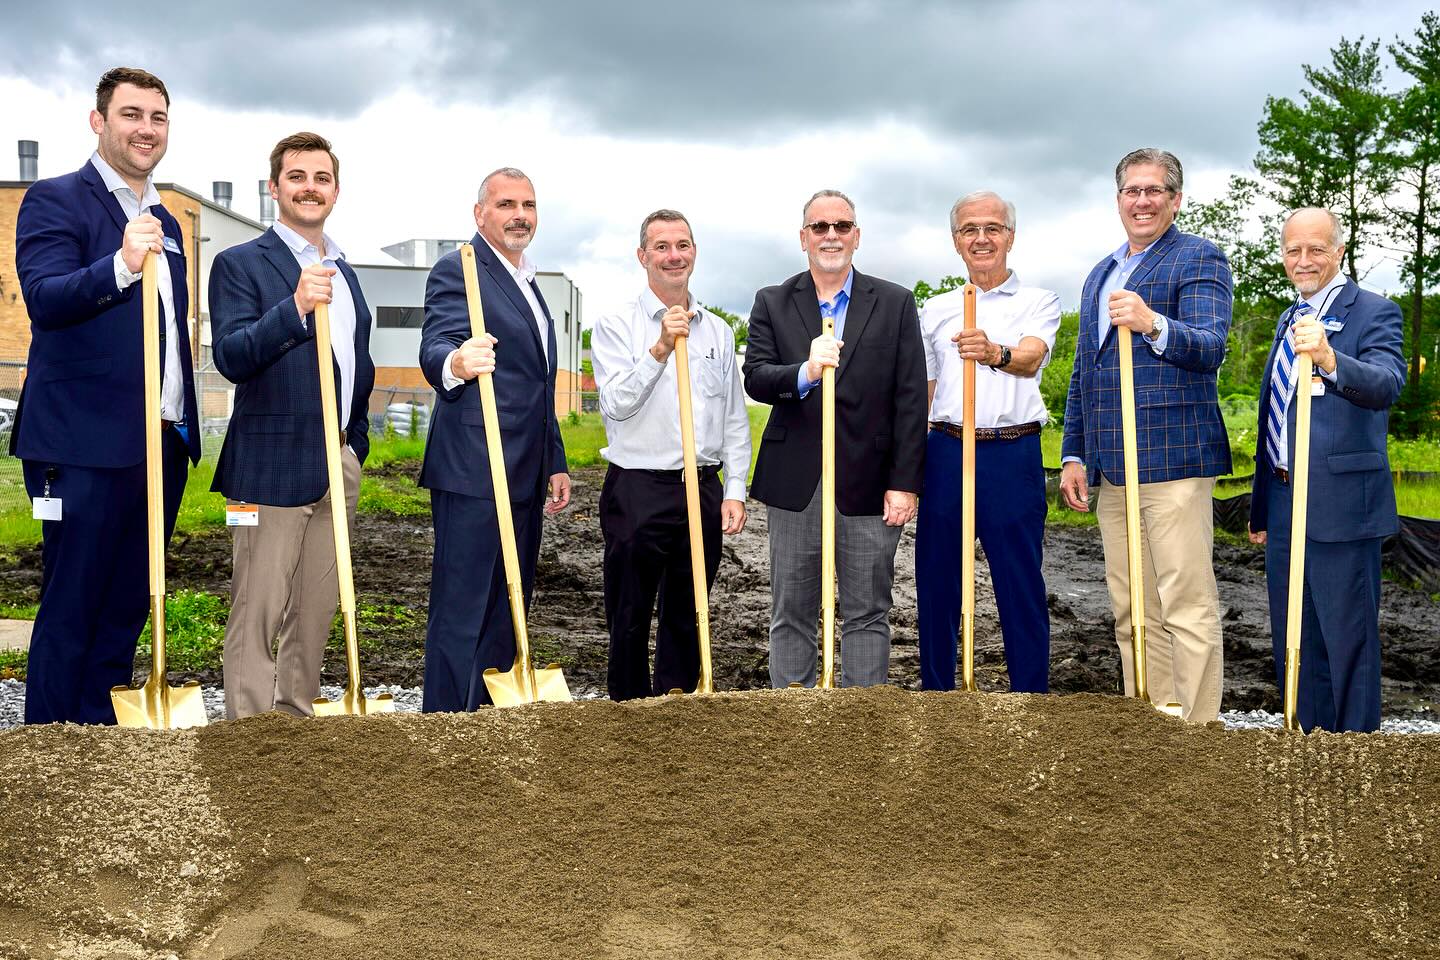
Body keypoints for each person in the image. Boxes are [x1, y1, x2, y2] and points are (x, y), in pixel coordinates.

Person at [11, 67, 201, 725]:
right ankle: (51, 750)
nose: (146, 129)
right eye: (131, 114)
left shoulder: (167, 221)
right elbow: (45, 299)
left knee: (125, 606)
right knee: (73, 601)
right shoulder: (57, 200)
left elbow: (169, 331)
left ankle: (100, 744)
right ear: (99, 121)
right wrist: (121, 264)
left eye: (158, 117)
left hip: (160, 443)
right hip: (82, 443)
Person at [1058, 147, 1232, 723]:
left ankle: (1197, 730)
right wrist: (1075, 452)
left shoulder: (1198, 257)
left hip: (1173, 462)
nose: (1142, 201)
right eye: (1132, 190)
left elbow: (1210, 346)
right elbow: (1085, 371)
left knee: (1185, 603)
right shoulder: (1099, 274)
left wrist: (1152, 323)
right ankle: (1153, 723)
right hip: (1113, 467)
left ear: (1175, 200)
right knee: (1132, 605)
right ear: (1118, 200)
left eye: (1154, 190)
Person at [209, 132, 375, 719]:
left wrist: (354, 443)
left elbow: (356, 363)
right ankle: (248, 732)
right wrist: (296, 308)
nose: (310, 188)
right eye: (297, 177)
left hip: (337, 463)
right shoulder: (240, 264)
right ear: (274, 188)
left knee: (315, 608)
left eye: (321, 178)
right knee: (258, 607)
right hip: (268, 468)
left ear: (336, 190)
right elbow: (231, 356)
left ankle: (293, 722)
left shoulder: (345, 272)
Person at [742, 189, 927, 688]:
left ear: (856, 236)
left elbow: (911, 399)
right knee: (792, 608)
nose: (831, 235)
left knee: (868, 609)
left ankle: (861, 719)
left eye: (841, 226)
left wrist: (904, 483)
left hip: (870, 481)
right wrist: (805, 371)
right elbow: (756, 378)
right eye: (820, 227)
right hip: (796, 482)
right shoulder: (772, 301)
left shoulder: (894, 302)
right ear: (803, 237)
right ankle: (794, 717)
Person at [1247, 208, 1406, 733]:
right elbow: (1275, 411)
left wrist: (1331, 360)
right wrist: (1263, 506)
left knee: (1348, 639)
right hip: (1285, 502)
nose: (1304, 260)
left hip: (1342, 505)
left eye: (1316, 249)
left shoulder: (1374, 311)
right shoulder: (1287, 318)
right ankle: (1306, 741)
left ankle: (1355, 753)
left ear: (1339, 251)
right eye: (1293, 250)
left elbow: (1386, 384)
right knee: (1295, 636)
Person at [418, 167, 571, 710]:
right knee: (463, 609)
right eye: (506, 204)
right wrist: (456, 361)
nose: (519, 215)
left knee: (508, 606)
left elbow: (538, 383)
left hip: (525, 471)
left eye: (528, 205)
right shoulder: (459, 268)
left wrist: (554, 458)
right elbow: (436, 341)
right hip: (474, 469)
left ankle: (487, 721)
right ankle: (444, 724)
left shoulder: (528, 281)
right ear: (480, 212)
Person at [590, 210, 751, 699]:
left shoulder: (718, 332)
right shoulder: (615, 326)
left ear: (694, 253)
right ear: (643, 256)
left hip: (701, 487)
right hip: (638, 486)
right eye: (661, 246)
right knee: (629, 612)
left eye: (682, 245)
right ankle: (627, 711)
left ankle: (676, 712)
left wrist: (735, 489)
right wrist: (660, 349)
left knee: (689, 610)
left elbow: (733, 418)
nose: (673, 255)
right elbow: (615, 403)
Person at [916, 191, 1060, 693]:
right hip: (947, 451)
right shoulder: (934, 309)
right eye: (970, 229)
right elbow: (928, 391)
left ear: (1010, 237)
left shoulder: (1038, 301)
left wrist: (994, 352)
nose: (982, 238)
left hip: (1011, 453)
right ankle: (937, 696)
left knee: (1019, 580)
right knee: (937, 579)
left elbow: (1031, 358)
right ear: (956, 241)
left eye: (992, 228)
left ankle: (1030, 697)